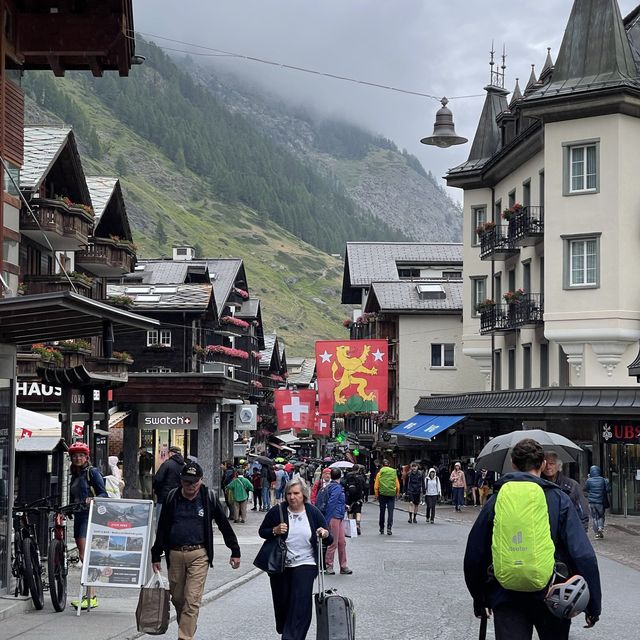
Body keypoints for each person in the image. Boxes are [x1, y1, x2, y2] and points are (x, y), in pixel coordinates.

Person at [464, 438, 602, 640]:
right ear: (543, 464)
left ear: (513, 464)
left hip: (506, 595)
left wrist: (480, 598)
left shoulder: (497, 499)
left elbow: (475, 553)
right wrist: (593, 605)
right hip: (553, 594)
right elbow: (583, 554)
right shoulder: (558, 498)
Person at [151, 462, 240, 640]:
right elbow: (162, 527)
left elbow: (224, 525)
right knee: (177, 599)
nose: (190, 486)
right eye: (186, 482)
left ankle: (185, 636)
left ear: (201, 480)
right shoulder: (172, 497)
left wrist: (234, 550)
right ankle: (189, 624)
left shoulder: (208, 498)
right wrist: (156, 554)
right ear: (181, 481)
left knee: (192, 600)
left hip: (199, 554)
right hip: (175, 554)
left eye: (194, 482)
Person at [259, 478, 331, 640]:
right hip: (280, 565)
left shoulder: (312, 512)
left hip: (306, 564)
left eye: (296, 493)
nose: (292, 497)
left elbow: (329, 537)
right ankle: (286, 630)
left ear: (303, 495)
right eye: (289, 494)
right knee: (283, 602)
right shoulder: (277, 511)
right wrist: (274, 530)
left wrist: (324, 533)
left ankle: (292, 637)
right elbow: (262, 531)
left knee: (300, 603)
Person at [68, 442, 107, 610]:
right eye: (75, 455)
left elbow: (103, 493)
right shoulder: (75, 474)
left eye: (81, 455)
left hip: (90, 517)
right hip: (79, 516)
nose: (77, 458)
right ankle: (90, 595)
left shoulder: (92, 472)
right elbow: (73, 495)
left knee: (86, 557)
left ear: (86, 457)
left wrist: (94, 499)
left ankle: (91, 596)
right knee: (84, 557)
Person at [542, 451, 589, 532]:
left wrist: (581, 534)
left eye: (551, 464)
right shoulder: (538, 485)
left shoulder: (572, 485)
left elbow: (582, 513)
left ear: (558, 466)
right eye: (545, 464)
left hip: (567, 531)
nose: (548, 467)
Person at [322, 468, 352, 575]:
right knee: (336, 542)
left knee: (340, 542)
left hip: (337, 516)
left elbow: (333, 502)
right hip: (335, 517)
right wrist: (327, 520)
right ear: (340, 476)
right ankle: (333, 566)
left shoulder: (330, 487)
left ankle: (340, 566)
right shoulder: (337, 488)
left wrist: (344, 506)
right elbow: (332, 503)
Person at [153, 445, 185, 519]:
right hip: (178, 496)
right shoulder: (184, 465)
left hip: (164, 496)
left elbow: (158, 479)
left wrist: (157, 491)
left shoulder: (167, 464)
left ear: (171, 453)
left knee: (160, 519)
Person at [584, 465, 610, 539]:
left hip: (591, 502)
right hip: (600, 501)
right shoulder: (603, 480)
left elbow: (585, 489)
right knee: (601, 516)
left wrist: (588, 480)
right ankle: (600, 527)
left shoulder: (589, 480)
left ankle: (597, 534)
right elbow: (608, 490)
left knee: (594, 517)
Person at [375, 459, 400, 535]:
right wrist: (397, 493)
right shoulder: (393, 472)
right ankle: (389, 528)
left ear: (382, 465)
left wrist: (376, 495)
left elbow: (376, 485)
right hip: (391, 495)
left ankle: (381, 528)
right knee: (390, 512)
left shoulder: (380, 473)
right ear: (389, 465)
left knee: (382, 512)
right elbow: (397, 484)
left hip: (382, 494)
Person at [344, 465, 365, 535]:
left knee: (350, 511)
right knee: (358, 511)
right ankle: (358, 524)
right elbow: (364, 486)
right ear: (358, 469)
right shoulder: (361, 477)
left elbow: (345, 485)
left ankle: (351, 526)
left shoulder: (348, 476)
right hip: (358, 496)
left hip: (350, 496)